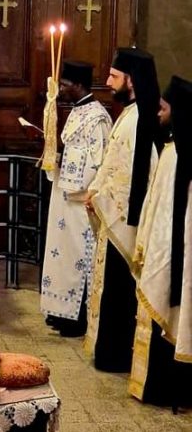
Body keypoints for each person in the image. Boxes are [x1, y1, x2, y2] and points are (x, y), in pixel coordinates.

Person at [84, 48, 161, 372]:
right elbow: (113, 166)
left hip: (125, 221)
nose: (107, 82)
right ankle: (109, 352)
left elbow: (137, 175)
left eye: (114, 76)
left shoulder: (141, 118)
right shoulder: (129, 115)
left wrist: (100, 196)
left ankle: (116, 355)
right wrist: (96, 191)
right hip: (114, 216)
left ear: (131, 80)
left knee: (120, 290)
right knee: (112, 288)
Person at [129, 76, 192, 406]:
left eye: (164, 108)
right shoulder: (171, 149)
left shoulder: (183, 155)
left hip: (174, 254)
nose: (158, 113)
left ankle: (169, 389)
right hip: (160, 247)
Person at [40, 61, 112, 337]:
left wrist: (72, 176)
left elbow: (99, 162)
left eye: (65, 85)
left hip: (81, 200)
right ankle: (61, 312)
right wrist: (53, 155)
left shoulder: (98, 117)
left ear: (79, 85)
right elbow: (72, 151)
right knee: (62, 256)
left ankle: (78, 318)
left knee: (79, 257)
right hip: (64, 197)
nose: (61, 90)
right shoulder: (75, 110)